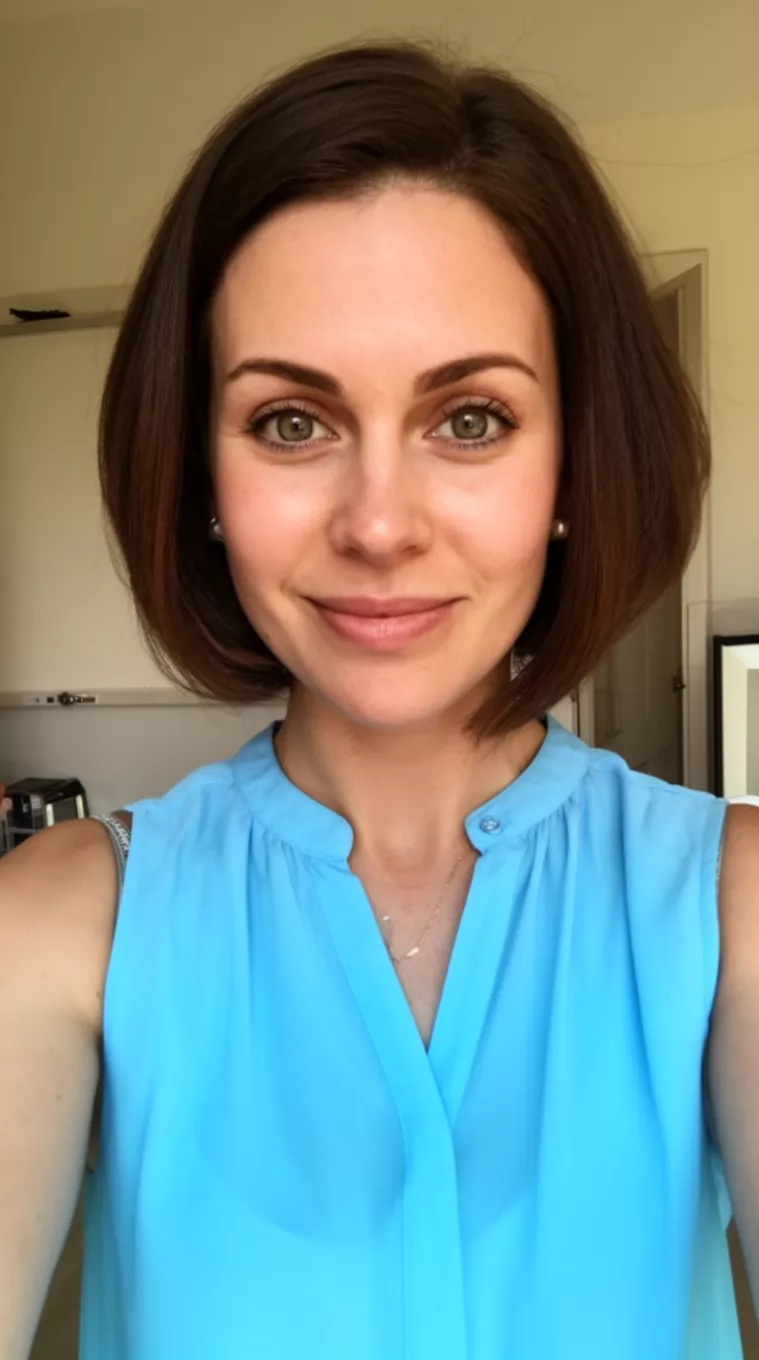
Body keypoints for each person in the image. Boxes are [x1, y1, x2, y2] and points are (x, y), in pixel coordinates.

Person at [1, 38, 758, 1360]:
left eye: (468, 417)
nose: (379, 523)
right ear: (201, 479)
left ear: (573, 459)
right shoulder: (63, 925)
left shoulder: (729, 909)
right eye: (291, 422)